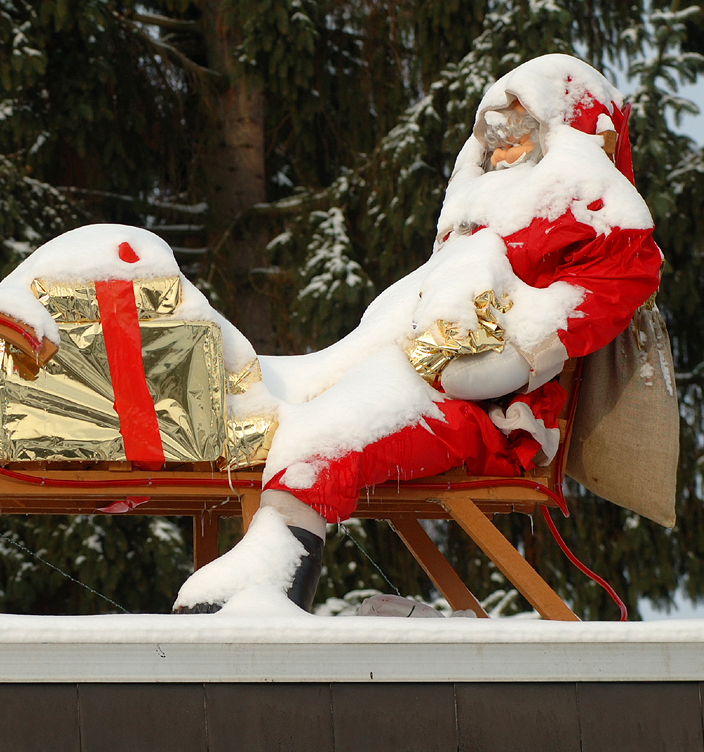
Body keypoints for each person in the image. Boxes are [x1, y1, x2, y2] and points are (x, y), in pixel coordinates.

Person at [174, 54, 662, 614]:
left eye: (520, 139)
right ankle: (261, 575)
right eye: (497, 143)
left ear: (568, 136)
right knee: (284, 410)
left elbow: (534, 343)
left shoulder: (606, 233)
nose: (503, 155)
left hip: (488, 416)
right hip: (406, 374)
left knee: (323, 443)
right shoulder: (476, 229)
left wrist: (470, 361)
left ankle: (266, 592)